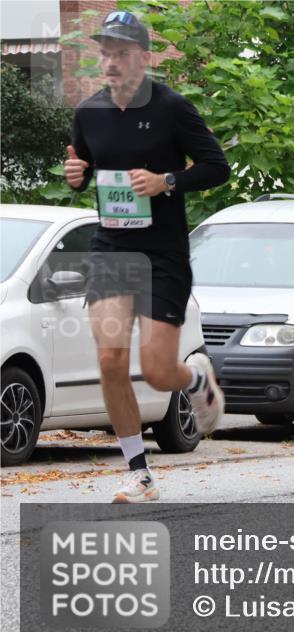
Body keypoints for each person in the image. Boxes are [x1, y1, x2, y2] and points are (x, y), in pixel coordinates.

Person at [64, 11, 230, 503]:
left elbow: (216, 167)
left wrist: (167, 181)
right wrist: (76, 175)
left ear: (144, 56)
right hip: (112, 250)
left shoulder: (173, 108)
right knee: (111, 360)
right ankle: (139, 472)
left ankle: (197, 377)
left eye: (120, 52)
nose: (110, 61)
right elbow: (84, 170)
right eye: (106, 52)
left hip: (162, 256)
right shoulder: (89, 112)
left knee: (158, 370)